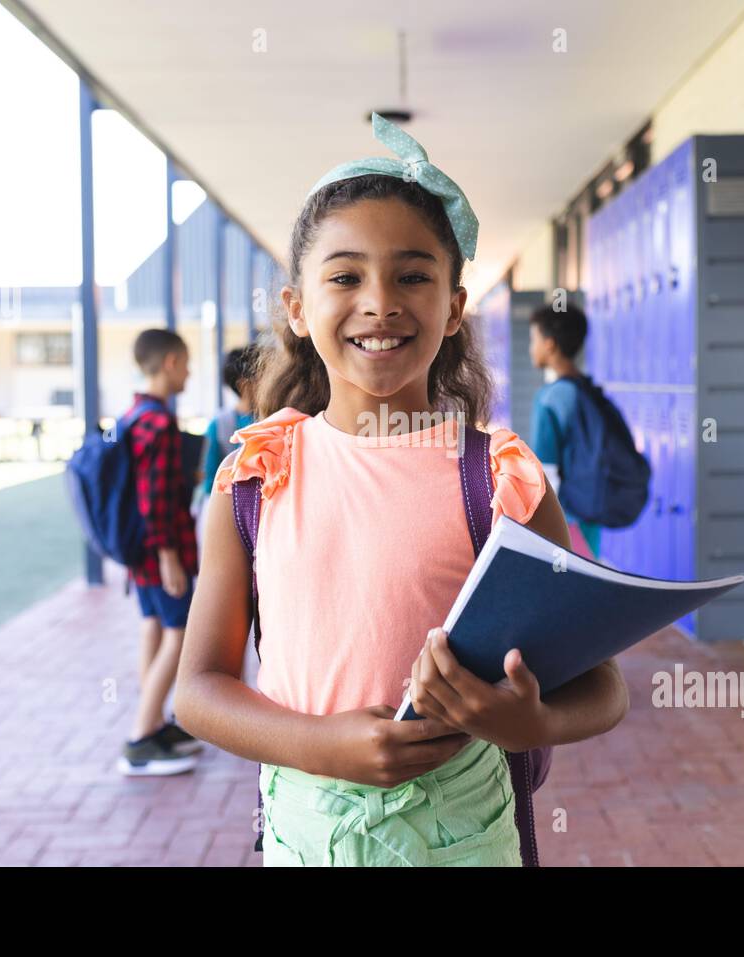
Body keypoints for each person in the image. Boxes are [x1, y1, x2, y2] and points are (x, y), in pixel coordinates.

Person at [173, 114, 629, 866]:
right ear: (296, 307)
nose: (380, 301)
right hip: (307, 833)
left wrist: (532, 722)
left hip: (467, 834)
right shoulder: (256, 475)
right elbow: (199, 690)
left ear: (453, 306)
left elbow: (604, 686)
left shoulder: (498, 477)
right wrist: (322, 744)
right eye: (345, 276)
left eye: (413, 275)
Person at [117, 328, 203, 776]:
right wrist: (169, 556)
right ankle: (139, 740)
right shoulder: (159, 422)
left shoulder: (133, 415)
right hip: (162, 552)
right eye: (186, 363)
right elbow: (155, 499)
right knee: (180, 634)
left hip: (141, 554)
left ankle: (152, 725)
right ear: (170, 362)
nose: (189, 372)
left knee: (154, 627)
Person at [528, 302, 603, 559]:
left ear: (549, 344)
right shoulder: (587, 389)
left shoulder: (549, 398)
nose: (531, 348)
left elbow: (546, 471)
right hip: (590, 511)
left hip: (566, 518)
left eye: (534, 339)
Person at [200, 345, 259, 501]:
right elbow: (210, 480)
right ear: (245, 386)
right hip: (231, 505)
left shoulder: (218, 423)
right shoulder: (220, 424)